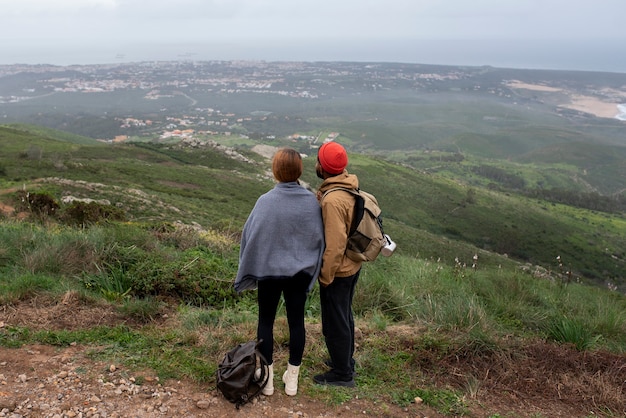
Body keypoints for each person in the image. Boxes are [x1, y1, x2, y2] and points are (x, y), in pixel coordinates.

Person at [234, 147, 324, 397]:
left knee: (266, 320)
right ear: (298, 171)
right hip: (300, 273)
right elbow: (318, 239)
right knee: (297, 322)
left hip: (269, 272)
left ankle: (268, 378)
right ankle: (292, 380)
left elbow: (250, 236)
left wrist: (251, 265)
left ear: (276, 171)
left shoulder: (265, 201)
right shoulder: (311, 202)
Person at [313, 141, 361, 387]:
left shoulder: (333, 201)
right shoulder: (348, 185)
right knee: (345, 315)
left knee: (335, 321)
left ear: (323, 167)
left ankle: (342, 374)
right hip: (352, 264)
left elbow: (334, 245)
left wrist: (325, 276)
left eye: (318, 160)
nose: (316, 163)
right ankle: (345, 361)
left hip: (338, 270)